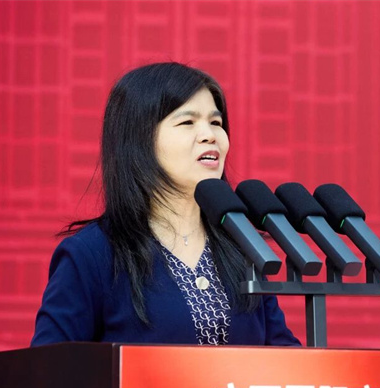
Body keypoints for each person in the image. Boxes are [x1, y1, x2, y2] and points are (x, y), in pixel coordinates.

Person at [31, 62, 300, 347]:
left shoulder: (242, 248)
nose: (210, 135)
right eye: (187, 122)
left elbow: (283, 356)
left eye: (216, 123)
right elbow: (50, 366)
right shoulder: (92, 254)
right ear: (140, 139)